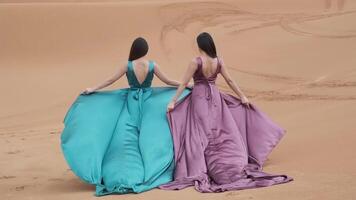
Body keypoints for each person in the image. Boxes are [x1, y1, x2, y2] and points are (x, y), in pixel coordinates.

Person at [160, 32, 292, 192]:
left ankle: (207, 165)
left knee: (202, 131)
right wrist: (242, 96)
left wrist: (173, 100)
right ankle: (225, 163)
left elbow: (184, 82)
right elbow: (230, 80)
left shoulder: (195, 61)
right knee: (219, 129)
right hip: (216, 97)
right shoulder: (218, 61)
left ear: (199, 45)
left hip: (200, 97)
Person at [61, 37, 190, 196]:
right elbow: (168, 80)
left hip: (131, 103)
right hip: (149, 103)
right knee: (151, 136)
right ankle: (152, 169)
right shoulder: (152, 65)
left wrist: (92, 89)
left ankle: (120, 174)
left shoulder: (128, 65)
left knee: (126, 137)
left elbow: (110, 80)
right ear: (146, 50)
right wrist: (185, 85)